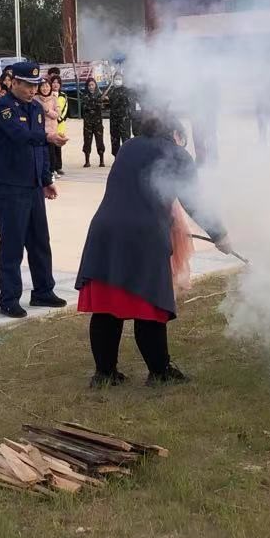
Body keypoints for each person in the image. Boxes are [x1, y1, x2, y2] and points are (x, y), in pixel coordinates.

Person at [75, 108, 230, 387]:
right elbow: (194, 201)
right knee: (149, 305)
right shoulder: (176, 154)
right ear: (176, 134)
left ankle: (104, 374)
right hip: (143, 236)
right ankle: (159, 373)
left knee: (107, 309)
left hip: (106, 230)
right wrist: (220, 234)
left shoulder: (128, 146)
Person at [0, 62, 67, 319]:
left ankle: (43, 290)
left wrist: (46, 179)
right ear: (14, 83)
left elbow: (40, 150)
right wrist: (47, 138)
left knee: (39, 241)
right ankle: (9, 298)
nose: (33, 90)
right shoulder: (4, 108)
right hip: (11, 186)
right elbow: (20, 136)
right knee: (12, 244)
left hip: (33, 185)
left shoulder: (35, 108)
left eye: (36, 85)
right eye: (28, 85)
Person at [81, 77, 106, 168]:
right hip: (88, 123)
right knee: (87, 141)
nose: (91, 87)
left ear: (95, 85)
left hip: (98, 123)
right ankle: (87, 161)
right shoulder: (84, 96)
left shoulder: (100, 95)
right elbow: (85, 106)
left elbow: (102, 107)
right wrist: (96, 102)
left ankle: (101, 160)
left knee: (100, 141)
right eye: (89, 85)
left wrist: (100, 101)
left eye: (92, 84)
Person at [107, 72, 132, 155]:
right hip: (114, 120)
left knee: (126, 140)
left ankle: (127, 157)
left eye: (119, 79)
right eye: (116, 79)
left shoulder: (127, 90)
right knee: (114, 140)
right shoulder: (111, 91)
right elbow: (106, 102)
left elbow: (130, 103)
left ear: (123, 80)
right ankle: (116, 158)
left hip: (124, 120)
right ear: (113, 80)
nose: (118, 80)